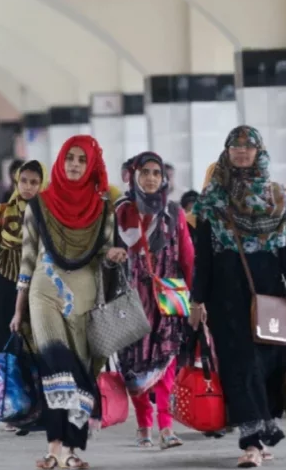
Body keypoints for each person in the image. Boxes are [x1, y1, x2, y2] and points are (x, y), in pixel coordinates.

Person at [190, 125, 286, 467]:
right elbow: (203, 256)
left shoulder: (276, 196)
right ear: (226, 152)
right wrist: (197, 301)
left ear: (259, 152)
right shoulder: (212, 198)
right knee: (240, 365)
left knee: (268, 364)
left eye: (249, 146)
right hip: (225, 296)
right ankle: (251, 441)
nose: (242, 151)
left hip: (270, 291)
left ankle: (263, 428)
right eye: (235, 146)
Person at [10, 136, 125, 469]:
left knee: (80, 370)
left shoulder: (103, 208)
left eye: (81, 160)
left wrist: (112, 255)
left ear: (91, 166)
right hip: (43, 292)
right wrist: (18, 308)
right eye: (70, 158)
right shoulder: (39, 205)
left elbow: (103, 252)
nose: (74, 164)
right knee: (55, 366)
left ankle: (71, 449)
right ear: (60, 161)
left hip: (83, 296)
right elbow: (27, 258)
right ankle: (54, 447)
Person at [115, 151, 194, 450]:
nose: (150, 178)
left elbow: (187, 257)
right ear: (134, 176)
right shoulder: (121, 212)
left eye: (156, 173)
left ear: (163, 179)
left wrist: (197, 299)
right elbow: (106, 253)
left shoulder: (174, 212)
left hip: (167, 296)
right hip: (131, 299)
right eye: (145, 172)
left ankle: (166, 427)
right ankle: (143, 424)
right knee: (134, 364)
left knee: (166, 362)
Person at [0, 160, 48, 353]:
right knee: (4, 346)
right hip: (0, 284)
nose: (27, 186)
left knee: (37, 345)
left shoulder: (50, 214)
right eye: (23, 181)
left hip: (38, 284)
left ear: (42, 184)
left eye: (34, 182)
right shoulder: (1, 212)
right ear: (16, 182)